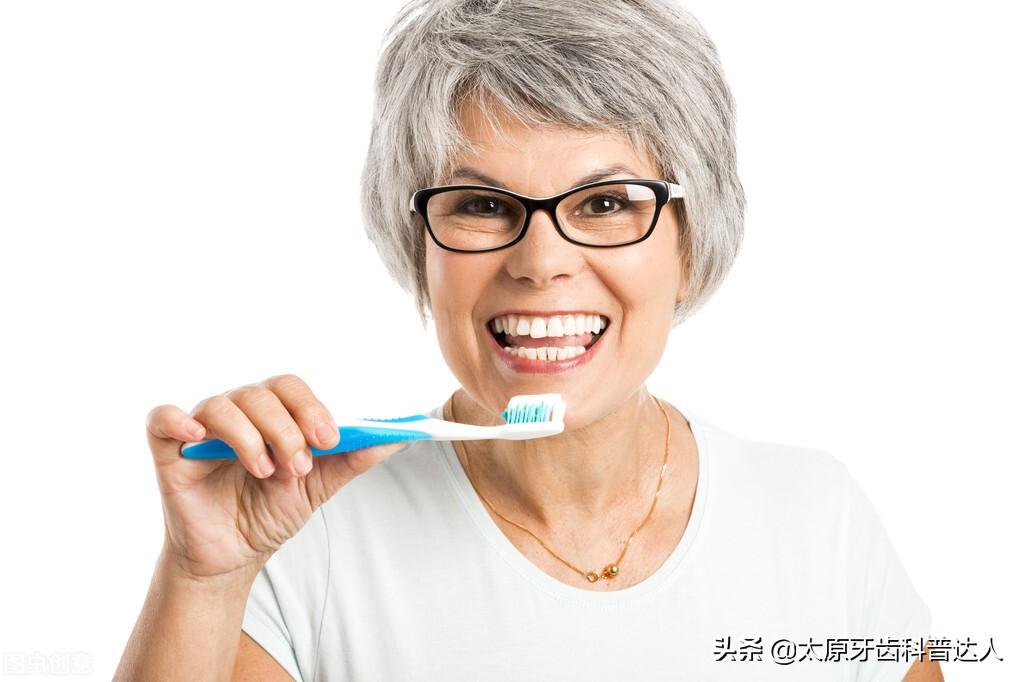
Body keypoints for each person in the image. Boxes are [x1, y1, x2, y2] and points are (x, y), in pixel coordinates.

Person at [115, 1, 941, 680]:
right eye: (481, 205)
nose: (541, 263)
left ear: (691, 245)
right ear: (418, 248)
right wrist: (203, 579)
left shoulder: (816, 520)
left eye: (606, 203)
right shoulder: (302, 543)